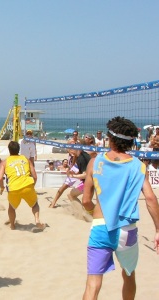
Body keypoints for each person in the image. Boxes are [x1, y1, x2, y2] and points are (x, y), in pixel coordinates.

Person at [82, 116, 159, 300]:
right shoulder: (138, 166)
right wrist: (158, 229)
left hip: (101, 227)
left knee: (93, 283)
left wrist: (96, 214)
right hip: (126, 229)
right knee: (129, 275)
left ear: (110, 138)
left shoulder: (95, 162)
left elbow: (85, 201)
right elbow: (150, 198)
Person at [0, 141, 44, 230]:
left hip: (14, 188)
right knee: (35, 204)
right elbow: (34, 176)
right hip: (28, 185)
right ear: (19, 149)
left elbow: (0, 178)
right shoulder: (25, 159)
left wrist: (2, 187)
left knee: (11, 207)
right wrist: (32, 186)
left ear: (9, 150)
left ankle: (12, 225)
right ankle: (37, 220)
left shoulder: (4, 162)